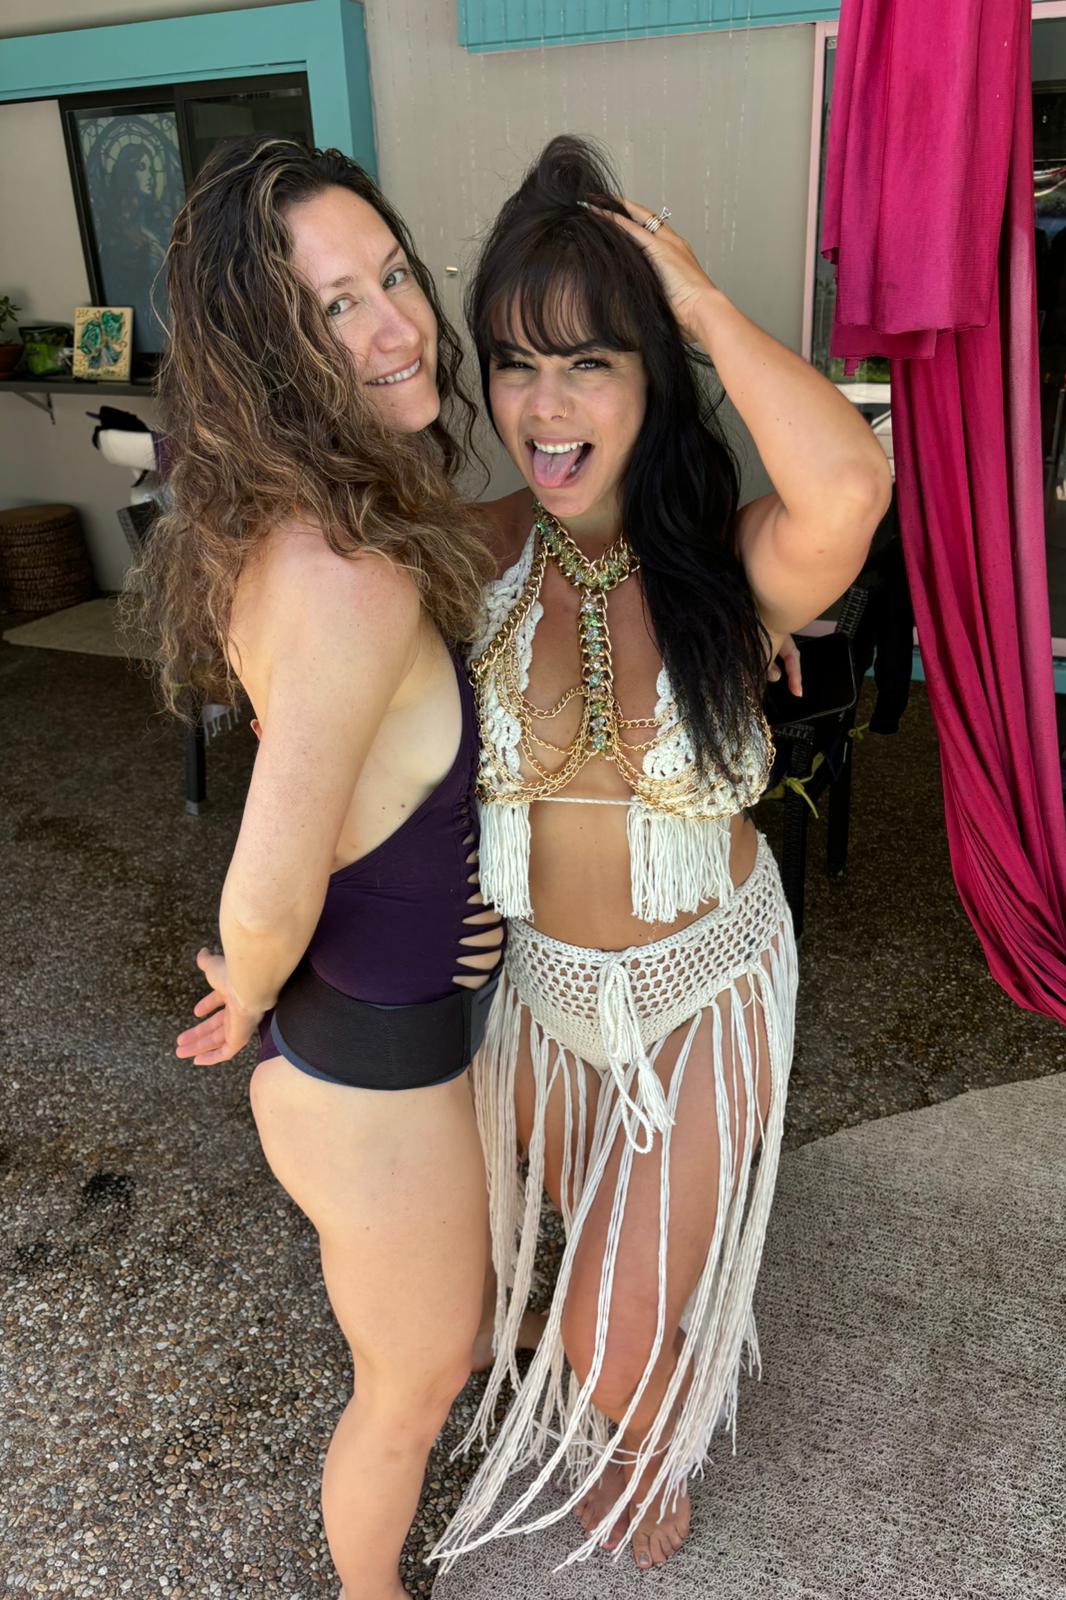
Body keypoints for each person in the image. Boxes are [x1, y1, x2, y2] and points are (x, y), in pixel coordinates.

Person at [433, 136, 892, 1573]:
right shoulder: (476, 552)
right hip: (541, 994)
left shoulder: (731, 562)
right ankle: (649, 1329)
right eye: (515, 364)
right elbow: (328, 638)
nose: (544, 405)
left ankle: (642, 1431)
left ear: (655, 379)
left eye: (591, 362)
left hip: (706, 985)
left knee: (605, 1329)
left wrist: (694, 301)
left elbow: (852, 484)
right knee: (590, 1239)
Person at [139, 136, 505, 1600]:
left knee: (429, 1351)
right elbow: (270, 869)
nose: (395, 323)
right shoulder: (345, 577)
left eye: (393, 276)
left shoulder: (317, 521)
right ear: (266, 351)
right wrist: (249, 987)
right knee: (412, 1388)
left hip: (376, 1030)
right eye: (334, 306)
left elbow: (362, 791)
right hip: (367, 1076)